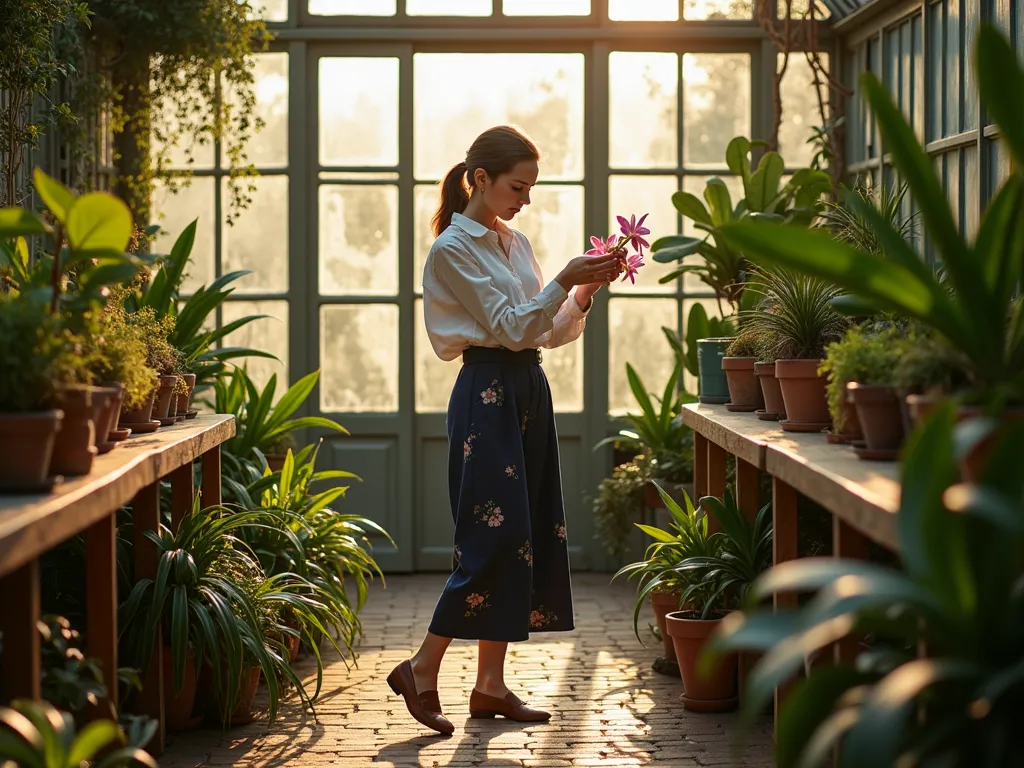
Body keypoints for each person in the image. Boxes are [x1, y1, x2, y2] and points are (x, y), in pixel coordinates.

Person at [386, 125, 623, 735]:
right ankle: (422, 666)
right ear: (481, 179)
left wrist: (585, 290)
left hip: (527, 390)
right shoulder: (452, 249)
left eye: (531, 187)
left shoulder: (514, 243)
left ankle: (489, 685)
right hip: (486, 394)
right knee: (492, 538)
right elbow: (511, 326)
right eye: (518, 186)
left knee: (530, 531)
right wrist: (565, 277)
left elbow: (545, 333)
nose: (525, 199)